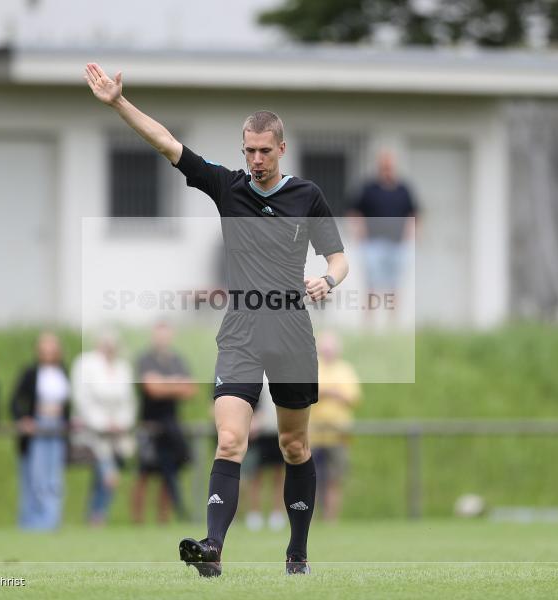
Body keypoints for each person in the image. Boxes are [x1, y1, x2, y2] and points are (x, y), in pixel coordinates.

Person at [84, 62, 349, 576]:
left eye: (263, 151)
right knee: (230, 439)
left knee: (295, 445)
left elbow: (337, 257)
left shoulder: (307, 196)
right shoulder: (229, 188)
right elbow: (167, 143)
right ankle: (212, 548)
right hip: (241, 333)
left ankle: (297, 553)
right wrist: (118, 103)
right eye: (248, 149)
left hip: (292, 333)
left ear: (281, 149)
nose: (254, 159)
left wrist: (328, 280)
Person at [70, 330, 137, 526]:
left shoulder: (122, 367)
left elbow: (129, 401)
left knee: (103, 477)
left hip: (116, 434)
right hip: (89, 431)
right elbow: (82, 399)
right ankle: (97, 516)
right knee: (109, 475)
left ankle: (96, 515)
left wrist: (120, 423)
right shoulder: (84, 364)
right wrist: (102, 423)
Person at [131, 321, 195, 524]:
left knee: (170, 472)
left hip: (172, 426)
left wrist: (163, 383)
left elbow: (190, 389)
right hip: (149, 425)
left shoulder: (177, 360)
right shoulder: (145, 359)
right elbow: (152, 389)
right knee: (143, 473)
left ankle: (164, 519)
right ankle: (137, 520)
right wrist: (175, 384)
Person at [11, 332, 71, 530]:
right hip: (38, 428)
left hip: (57, 429)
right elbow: (16, 401)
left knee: (54, 476)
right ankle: (32, 521)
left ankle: (51, 520)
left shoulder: (62, 372)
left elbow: (67, 405)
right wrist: (24, 419)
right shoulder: (31, 373)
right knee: (35, 476)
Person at [348, 151, 418, 321]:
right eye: (384, 167)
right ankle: (369, 322)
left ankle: (392, 322)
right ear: (379, 167)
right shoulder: (368, 189)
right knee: (371, 284)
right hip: (373, 245)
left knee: (394, 285)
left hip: (397, 245)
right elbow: (354, 212)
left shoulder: (403, 189)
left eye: (390, 167)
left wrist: (413, 235)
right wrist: (358, 232)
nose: (387, 170)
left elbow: (414, 213)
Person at [309, 331, 362, 521]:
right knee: (310, 480)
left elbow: (352, 397)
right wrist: (332, 392)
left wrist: (326, 392)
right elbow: (309, 394)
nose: (328, 352)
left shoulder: (345, 369)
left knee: (334, 479)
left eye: (331, 349)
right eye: (325, 349)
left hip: (338, 435)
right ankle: (310, 520)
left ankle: (331, 519)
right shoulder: (312, 368)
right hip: (313, 434)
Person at [242, 376, 286, 532]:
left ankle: (277, 513)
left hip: (278, 430)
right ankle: (254, 513)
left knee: (279, 474)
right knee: (255, 475)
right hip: (259, 433)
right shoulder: (256, 373)